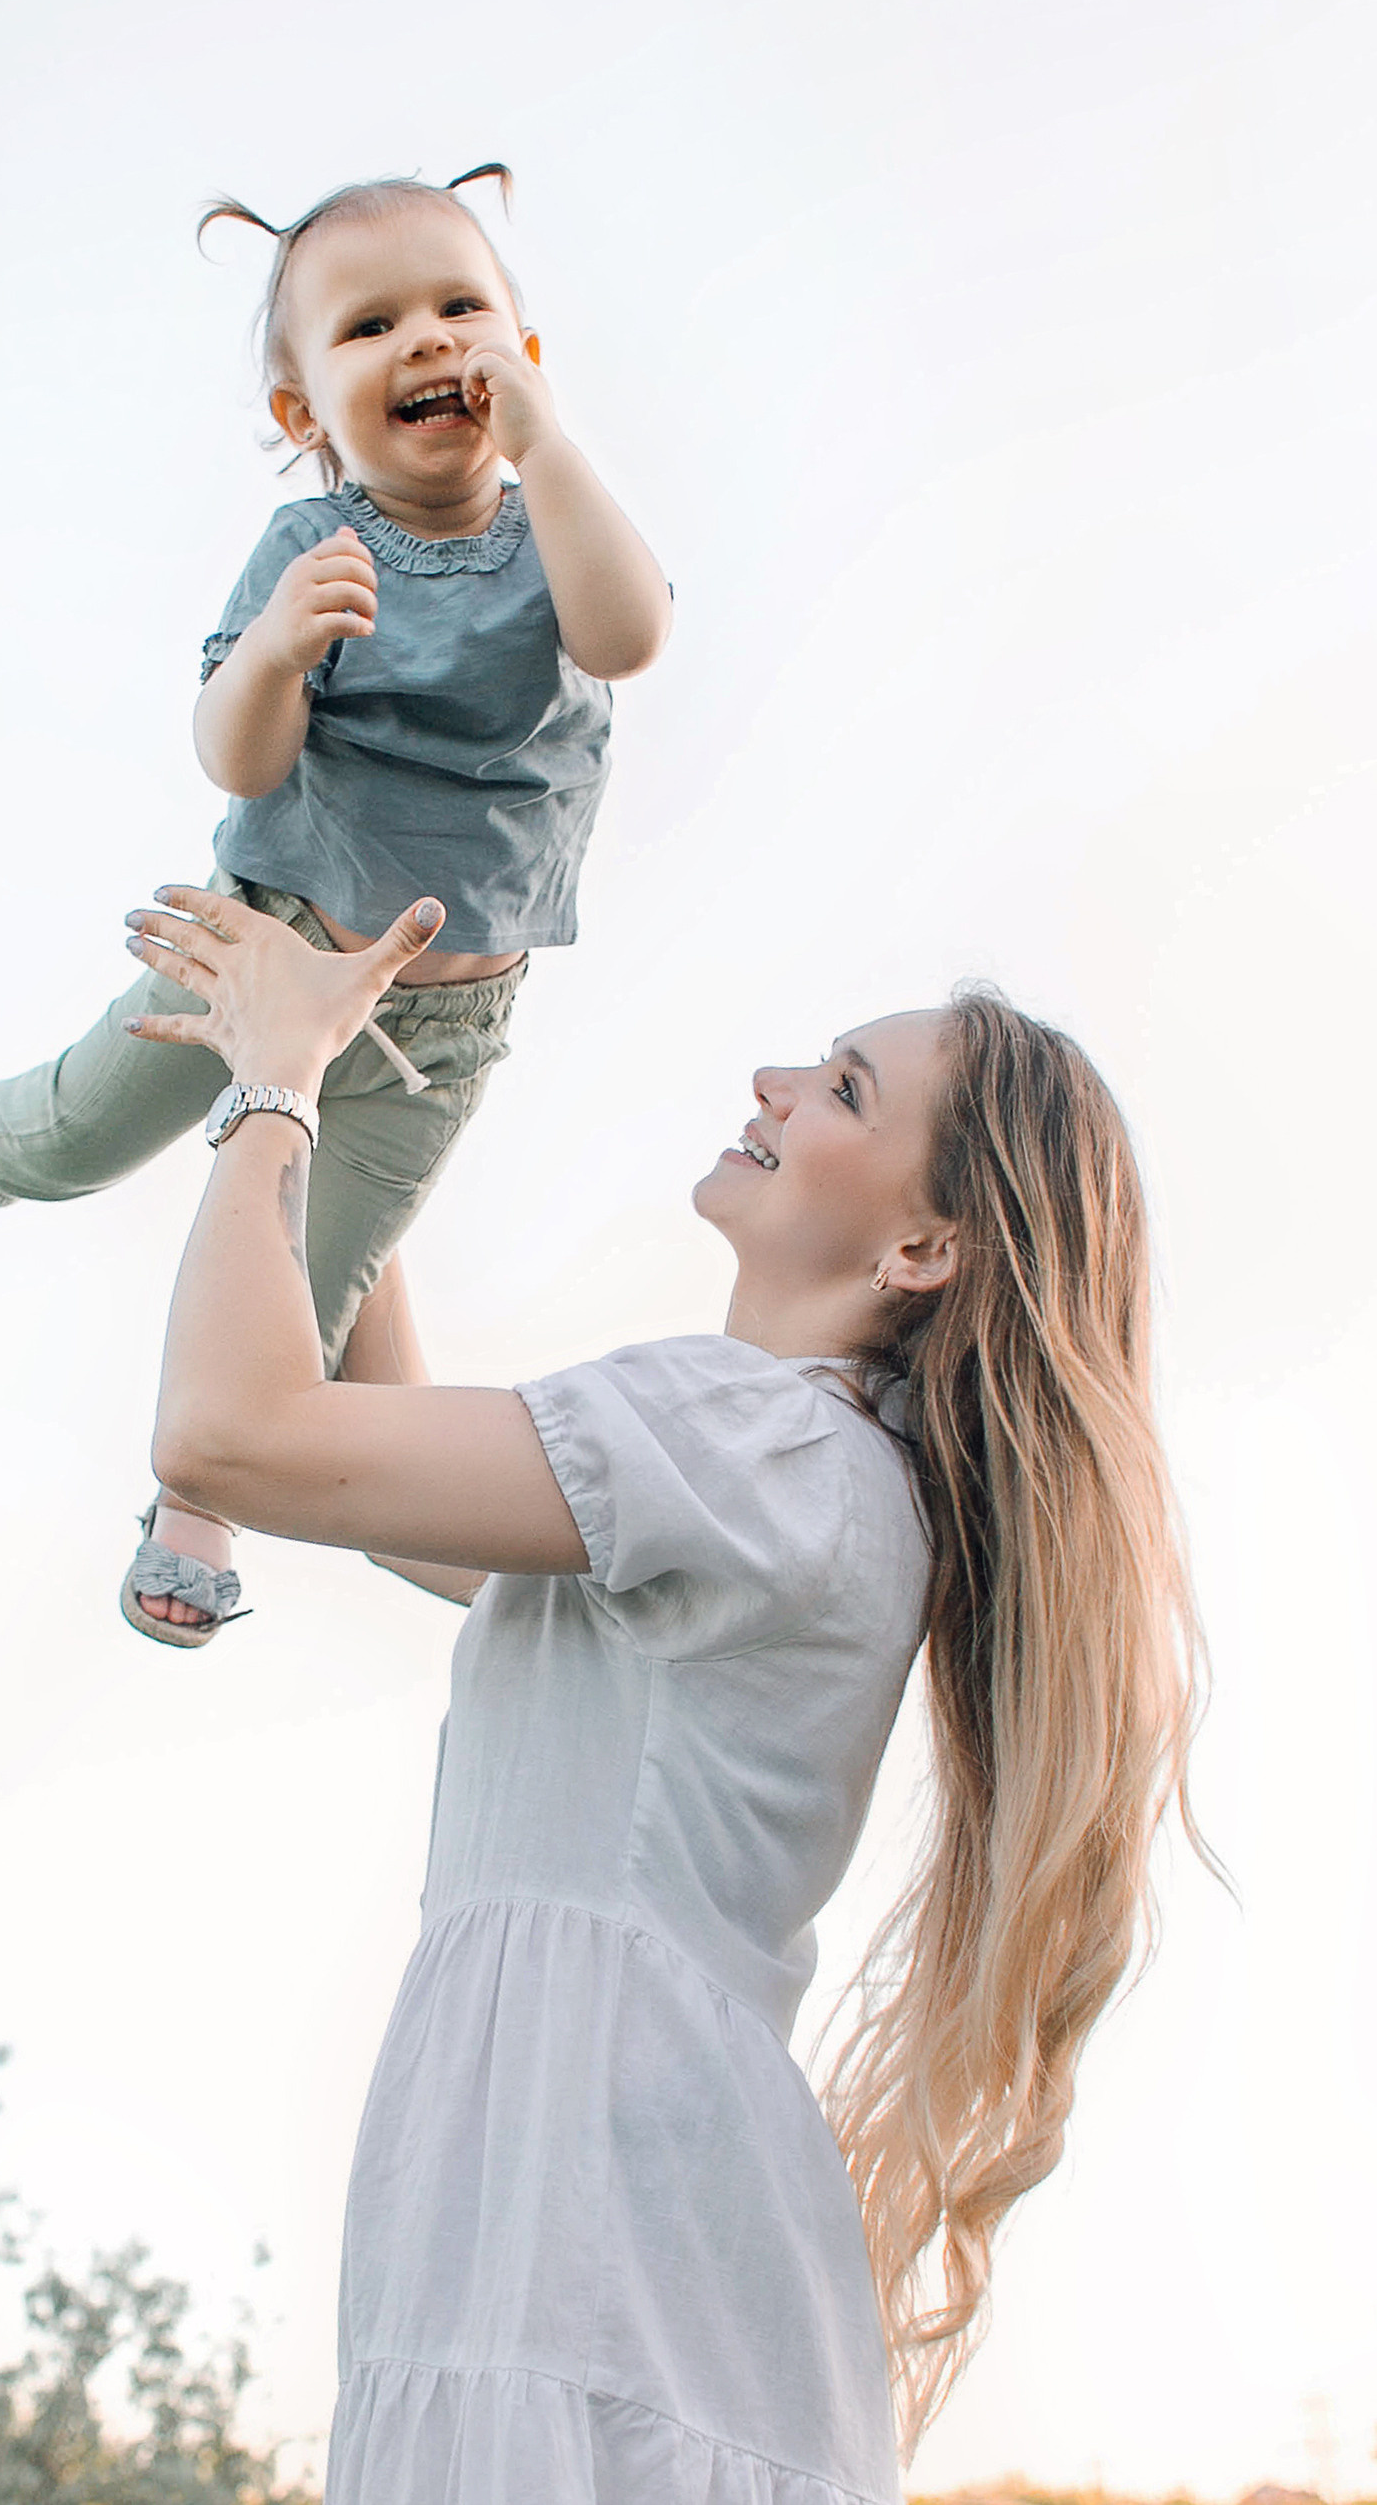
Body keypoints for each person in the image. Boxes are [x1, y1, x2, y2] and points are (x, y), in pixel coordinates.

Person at [119, 878, 1206, 2499]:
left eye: (845, 1088)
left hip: (594, 2251)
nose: (776, 1081)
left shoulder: (755, 1444)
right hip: (578, 2228)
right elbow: (376, 1440)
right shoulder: (795, 1474)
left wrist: (271, 1086)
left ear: (923, 1245)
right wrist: (360, 1096)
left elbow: (236, 1434)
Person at [0, 166, 672, 1647]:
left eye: (463, 307)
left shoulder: (555, 526)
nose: (428, 341)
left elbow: (627, 635)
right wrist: (269, 650)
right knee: (79, 1123)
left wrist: (551, 444)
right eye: (370, 324)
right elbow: (234, 750)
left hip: (434, 1024)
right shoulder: (311, 557)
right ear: (305, 413)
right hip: (262, 940)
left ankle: (202, 1503)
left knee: (314, 1272)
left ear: (523, 349)